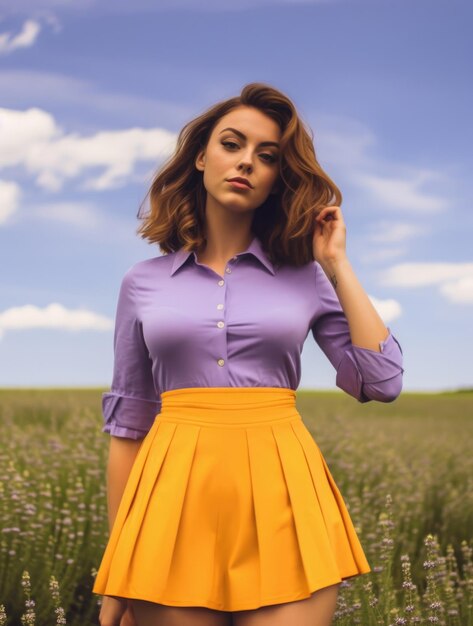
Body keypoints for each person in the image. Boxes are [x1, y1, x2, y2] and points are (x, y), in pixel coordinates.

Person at [92, 82, 404, 626]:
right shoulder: (141, 283)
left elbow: (382, 381)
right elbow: (130, 424)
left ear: (278, 178)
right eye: (232, 145)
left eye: (267, 157)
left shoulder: (307, 277)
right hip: (170, 500)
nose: (246, 163)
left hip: (286, 493)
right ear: (200, 158)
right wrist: (120, 562)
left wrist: (337, 265)